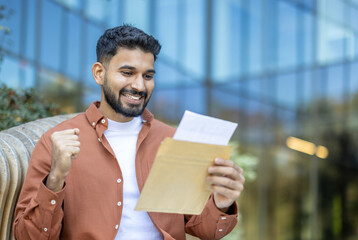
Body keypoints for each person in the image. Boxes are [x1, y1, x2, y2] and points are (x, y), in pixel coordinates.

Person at [13, 25, 245, 240]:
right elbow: (28, 236)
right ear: (98, 73)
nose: (139, 86)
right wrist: (55, 179)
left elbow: (204, 229)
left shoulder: (173, 140)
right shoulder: (57, 142)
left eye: (148, 76)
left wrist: (221, 203)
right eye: (127, 72)